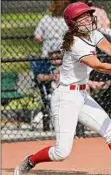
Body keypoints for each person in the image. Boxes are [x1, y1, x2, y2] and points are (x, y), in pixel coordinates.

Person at [13, 2, 111, 175]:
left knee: (110, 130)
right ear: (73, 23)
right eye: (83, 17)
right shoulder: (76, 43)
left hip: (81, 95)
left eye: (88, 15)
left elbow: (109, 47)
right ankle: (31, 160)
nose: (88, 19)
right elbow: (98, 66)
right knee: (61, 152)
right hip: (65, 98)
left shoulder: (92, 34)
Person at [32, 0, 70, 131]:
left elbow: (37, 37)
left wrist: (46, 38)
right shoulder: (65, 20)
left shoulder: (46, 19)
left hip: (50, 53)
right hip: (57, 54)